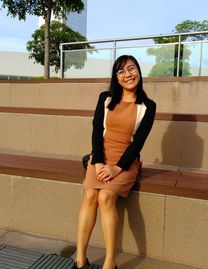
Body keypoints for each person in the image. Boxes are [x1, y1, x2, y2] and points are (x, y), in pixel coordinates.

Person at [73, 55, 156, 269]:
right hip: (101, 155)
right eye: (121, 71)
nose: (127, 74)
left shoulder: (148, 106)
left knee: (106, 196)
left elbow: (138, 143)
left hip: (126, 161)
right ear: (115, 77)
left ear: (138, 71)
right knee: (90, 195)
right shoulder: (106, 98)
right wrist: (99, 162)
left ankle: (110, 262)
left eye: (131, 68)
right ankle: (80, 259)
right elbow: (97, 130)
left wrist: (116, 168)